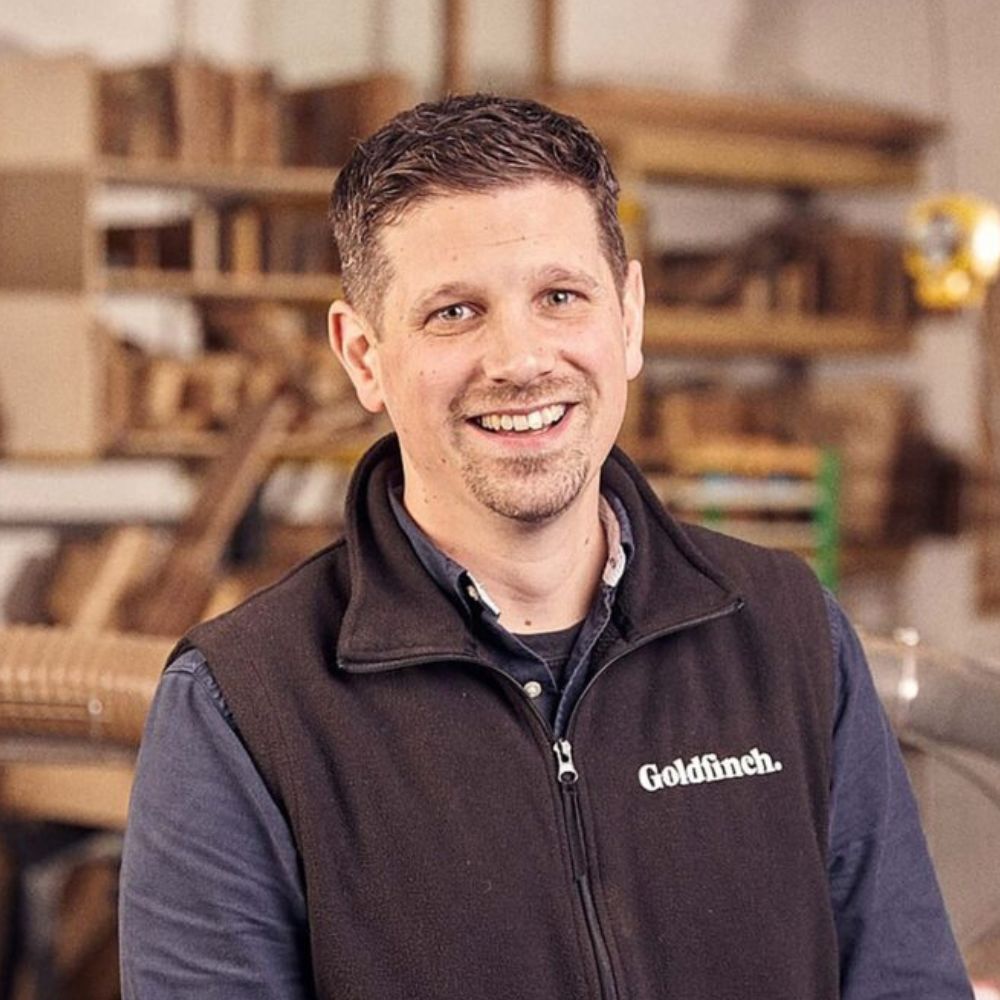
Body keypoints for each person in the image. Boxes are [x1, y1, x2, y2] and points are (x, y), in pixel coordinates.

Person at [119, 94, 973, 1000]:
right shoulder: (243, 705)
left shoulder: (788, 632)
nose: (520, 360)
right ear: (363, 356)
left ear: (630, 317)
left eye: (560, 297)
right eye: (454, 313)